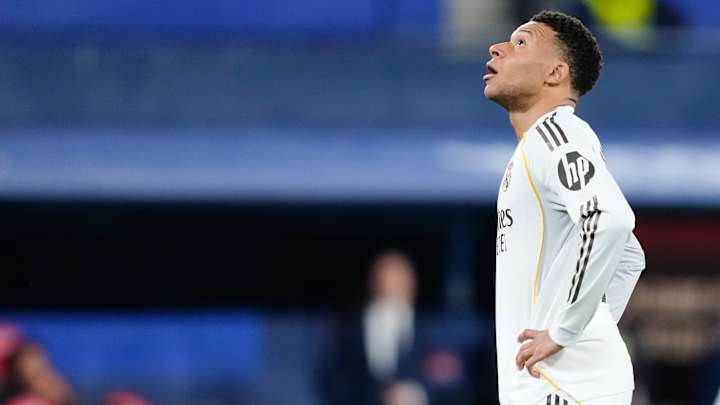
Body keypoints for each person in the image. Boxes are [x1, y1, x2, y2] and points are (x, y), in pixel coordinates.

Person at [485, 10, 646, 405]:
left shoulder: (555, 133)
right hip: (561, 382)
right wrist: (587, 326)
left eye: (521, 43)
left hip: (563, 385)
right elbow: (629, 257)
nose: (497, 48)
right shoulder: (537, 146)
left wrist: (567, 331)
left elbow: (609, 218)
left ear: (555, 73)